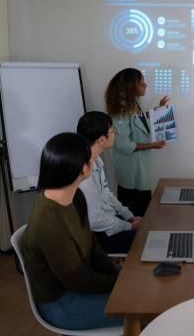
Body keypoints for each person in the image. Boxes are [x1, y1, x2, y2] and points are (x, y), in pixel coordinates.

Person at [21, 132, 122, 330]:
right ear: (83, 169)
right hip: (62, 303)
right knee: (143, 308)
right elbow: (79, 281)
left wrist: (119, 274)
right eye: (89, 158)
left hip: (78, 285)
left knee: (142, 292)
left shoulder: (75, 197)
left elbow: (92, 247)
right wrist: (119, 283)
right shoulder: (49, 223)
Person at [77, 111, 143, 253]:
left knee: (144, 223)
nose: (115, 134)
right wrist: (130, 226)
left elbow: (106, 194)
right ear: (101, 139)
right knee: (143, 241)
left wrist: (129, 217)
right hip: (101, 234)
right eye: (112, 131)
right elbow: (96, 220)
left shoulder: (97, 160)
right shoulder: (84, 174)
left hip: (109, 221)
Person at [105, 68, 168, 216]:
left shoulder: (135, 102)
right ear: (131, 87)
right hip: (130, 170)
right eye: (141, 83)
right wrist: (152, 145)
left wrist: (157, 110)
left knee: (144, 207)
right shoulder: (120, 111)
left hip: (140, 167)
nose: (145, 86)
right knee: (134, 212)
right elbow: (123, 145)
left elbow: (139, 119)